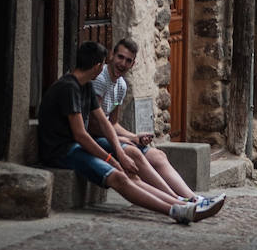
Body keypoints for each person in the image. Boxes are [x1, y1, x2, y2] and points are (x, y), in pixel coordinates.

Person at [37, 41, 221, 224]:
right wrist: (112, 159)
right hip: (62, 150)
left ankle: (182, 203)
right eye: (108, 61)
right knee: (118, 176)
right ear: (98, 66)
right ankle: (174, 210)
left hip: (76, 145)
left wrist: (121, 150)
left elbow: (105, 121)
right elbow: (81, 134)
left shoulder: (84, 85)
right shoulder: (69, 88)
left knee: (130, 169)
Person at [92, 38, 226, 217]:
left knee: (158, 155)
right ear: (111, 55)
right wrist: (126, 141)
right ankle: (178, 201)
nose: (123, 63)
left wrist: (134, 137)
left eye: (128, 60)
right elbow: (96, 124)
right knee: (135, 153)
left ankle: (194, 198)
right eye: (120, 57)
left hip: (109, 135)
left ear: (134, 63)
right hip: (95, 137)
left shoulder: (121, 85)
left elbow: (113, 123)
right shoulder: (100, 80)